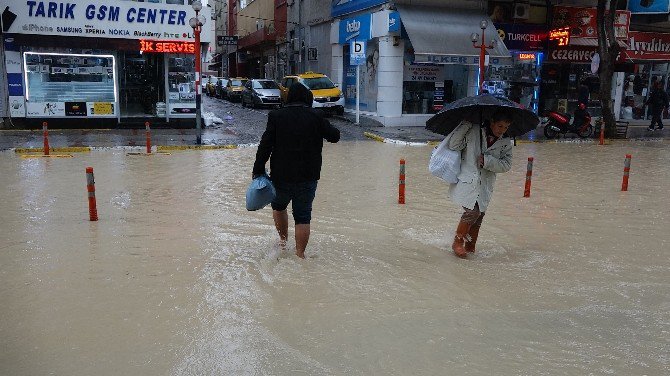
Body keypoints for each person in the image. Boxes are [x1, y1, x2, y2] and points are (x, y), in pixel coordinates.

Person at [252, 83, 340, 258]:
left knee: (278, 207)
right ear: (308, 98)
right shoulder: (316, 116)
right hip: (308, 176)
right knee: (302, 216)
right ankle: (300, 255)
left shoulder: (276, 116)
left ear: (289, 97)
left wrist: (258, 169)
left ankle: (283, 242)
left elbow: (265, 145)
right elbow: (335, 136)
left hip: (281, 175)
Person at [447, 110, 514, 259]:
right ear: (491, 122)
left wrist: (488, 161)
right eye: (499, 126)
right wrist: (466, 124)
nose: (502, 130)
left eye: (506, 127)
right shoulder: (474, 132)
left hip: (485, 185)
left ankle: (470, 246)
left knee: (479, 215)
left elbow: (507, 165)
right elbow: (453, 145)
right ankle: (457, 243)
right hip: (468, 181)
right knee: (472, 212)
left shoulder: (505, 143)